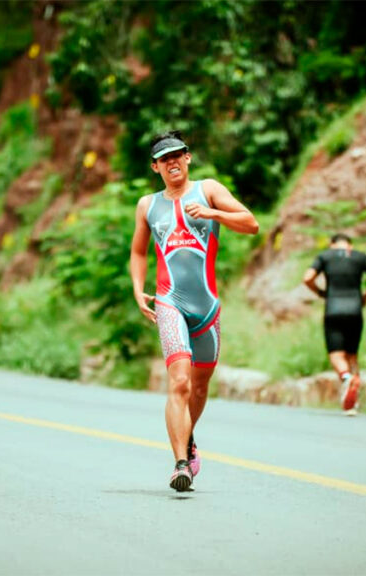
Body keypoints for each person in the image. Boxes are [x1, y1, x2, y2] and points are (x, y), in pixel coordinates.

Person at [130, 131, 259, 492]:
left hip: (207, 307)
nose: (172, 162)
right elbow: (138, 251)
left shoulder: (208, 190)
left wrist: (212, 213)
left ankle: (188, 439)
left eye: (178, 155)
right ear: (155, 167)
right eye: (164, 158)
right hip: (169, 301)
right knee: (180, 382)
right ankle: (180, 465)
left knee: (200, 387)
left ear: (188, 157)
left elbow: (251, 224)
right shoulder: (147, 205)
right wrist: (137, 289)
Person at [303, 233, 366, 415]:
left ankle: (346, 378)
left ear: (332, 244)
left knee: (336, 355)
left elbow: (307, 278)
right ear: (350, 244)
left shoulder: (325, 256)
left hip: (333, 309)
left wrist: (321, 293)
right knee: (352, 355)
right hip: (355, 310)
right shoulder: (361, 257)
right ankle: (354, 402)